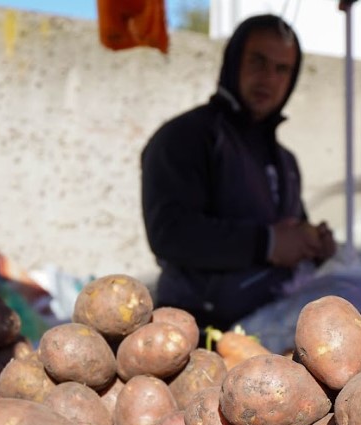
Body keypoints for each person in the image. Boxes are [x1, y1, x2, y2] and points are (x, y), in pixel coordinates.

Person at [140, 14, 337, 332]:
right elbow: (170, 233)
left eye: (281, 69)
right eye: (257, 61)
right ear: (233, 62)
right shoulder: (186, 137)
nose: (268, 78)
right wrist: (268, 243)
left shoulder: (286, 161)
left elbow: (290, 232)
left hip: (271, 325)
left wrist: (312, 246)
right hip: (196, 329)